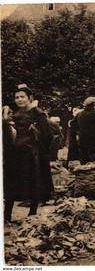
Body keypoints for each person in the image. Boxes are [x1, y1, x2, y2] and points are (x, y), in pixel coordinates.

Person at [3, 84, 54, 222]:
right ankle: (7, 216)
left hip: (31, 154)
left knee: (33, 182)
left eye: (22, 97)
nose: (19, 100)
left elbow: (48, 135)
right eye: (16, 97)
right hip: (16, 153)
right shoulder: (16, 115)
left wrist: (37, 145)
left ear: (29, 98)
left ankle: (32, 214)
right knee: (11, 183)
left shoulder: (38, 113)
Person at [74, 97, 95, 164]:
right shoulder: (94, 114)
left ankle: (84, 172)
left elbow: (74, 125)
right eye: (94, 105)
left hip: (82, 139)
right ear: (91, 106)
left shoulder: (79, 114)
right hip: (92, 140)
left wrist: (79, 132)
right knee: (92, 159)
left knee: (83, 157)